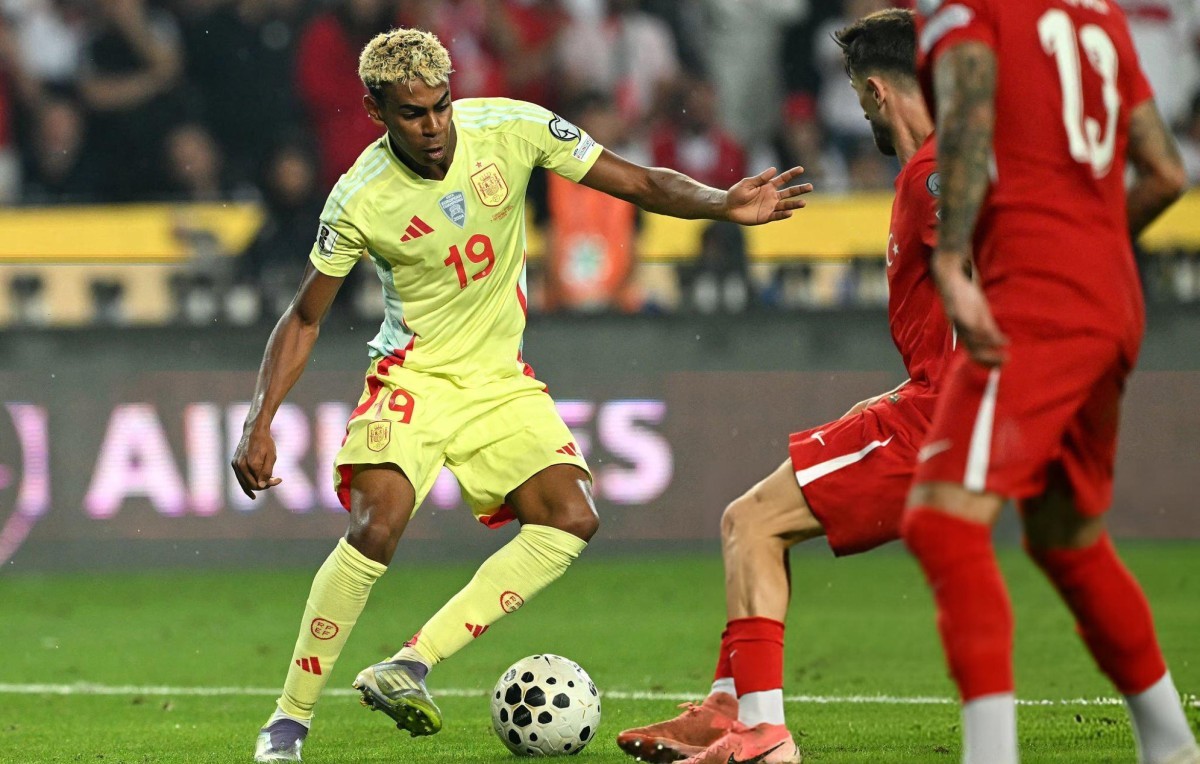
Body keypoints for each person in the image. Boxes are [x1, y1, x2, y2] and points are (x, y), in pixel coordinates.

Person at [232, 27, 811, 764]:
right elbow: (305, 317)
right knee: (377, 525)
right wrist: (260, 419)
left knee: (571, 516)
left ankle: (410, 663)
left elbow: (637, 181)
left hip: (499, 379)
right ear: (377, 112)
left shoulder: (513, 128)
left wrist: (722, 203)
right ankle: (287, 724)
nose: (433, 125)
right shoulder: (359, 197)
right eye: (412, 113)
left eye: (440, 106)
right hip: (414, 376)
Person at [617, 10, 949, 764]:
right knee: (751, 518)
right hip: (934, 399)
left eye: (858, 99)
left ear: (876, 91)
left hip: (949, 417)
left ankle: (764, 735)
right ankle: (727, 707)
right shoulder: (934, 171)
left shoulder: (937, 175)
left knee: (753, 524)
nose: (862, 115)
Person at [908, 2, 1198, 764]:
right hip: (1113, 297)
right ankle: (1173, 746)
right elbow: (1167, 173)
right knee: (1067, 539)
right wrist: (1089, 250)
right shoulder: (1100, 15)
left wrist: (952, 257)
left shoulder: (967, 9)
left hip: (1036, 297)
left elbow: (969, 111)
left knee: (943, 523)